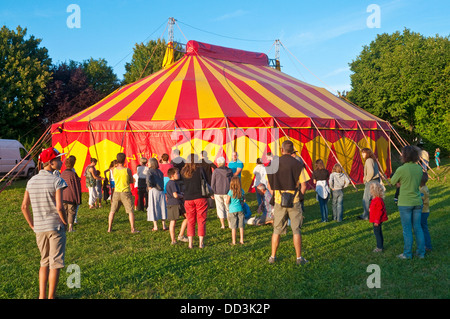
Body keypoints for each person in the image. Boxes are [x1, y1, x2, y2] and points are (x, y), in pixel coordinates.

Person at [21, 147, 67, 299]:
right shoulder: (57, 180)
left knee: (44, 262)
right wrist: (65, 221)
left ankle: (41, 296)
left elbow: (24, 207)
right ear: (51, 163)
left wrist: (32, 225)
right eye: (58, 159)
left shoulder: (31, 181)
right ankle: (51, 296)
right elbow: (60, 206)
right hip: (55, 226)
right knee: (55, 263)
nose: (61, 161)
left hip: (40, 228)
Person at [266, 140, 310, 265]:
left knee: (276, 229)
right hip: (294, 199)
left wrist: (275, 194)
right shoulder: (298, 164)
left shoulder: (273, 164)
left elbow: (269, 184)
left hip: (279, 200)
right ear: (292, 151)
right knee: (296, 230)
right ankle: (298, 258)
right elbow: (304, 185)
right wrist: (300, 197)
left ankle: (273, 256)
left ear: (281, 150)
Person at [390, 145, 425, 259]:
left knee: (407, 229)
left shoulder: (401, 169)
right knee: (418, 228)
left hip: (405, 202)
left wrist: (400, 182)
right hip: (417, 201)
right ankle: (421, 253)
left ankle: (407, 254)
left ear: (404, 156)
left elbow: (392, 181)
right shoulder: (419, 168)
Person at [181, 154, 209, 249]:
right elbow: (206, 180)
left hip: (188, 198)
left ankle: (190, 243)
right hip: (200, 196)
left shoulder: (183, 171)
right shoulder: (200, 169)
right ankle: (201, 243)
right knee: (201, 220)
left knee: (190, 220)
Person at [107, 153, 140, 233]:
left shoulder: (113, 170)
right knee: (130, 211)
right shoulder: (127, 170)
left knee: (112, 211)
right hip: (126, 192)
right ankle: (133, 229)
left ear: (117, 160)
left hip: (116, 192)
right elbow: (131, 181)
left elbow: (111, 168)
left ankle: (109, 228)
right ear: (124, 160)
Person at [166, 167, 188, 244]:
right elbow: (175, 195)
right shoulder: (172, 183)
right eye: (177, 173)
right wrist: (181, 195)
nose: (179, 174)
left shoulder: (170, 183)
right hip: (175, 204)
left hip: (175, 203)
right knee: (173, 222)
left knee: (187, 217)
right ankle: (174, 239)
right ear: (172, 175)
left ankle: (179, 236)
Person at [60, 155, 82, 232]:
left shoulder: (62, 173)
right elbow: (76, 186)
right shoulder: (73, 174)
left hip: (63, 196)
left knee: (64, 211)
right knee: (71, 211)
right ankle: (70, 227)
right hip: (71, 196)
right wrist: (78, 198)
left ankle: (64, 226)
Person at [211, 157, 233, 229]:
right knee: (228, 208)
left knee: (220, 208)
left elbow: (213, 182)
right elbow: (232, 182)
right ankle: (230, 224)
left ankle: (223, 225)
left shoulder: (216, 171)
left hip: (217, 192)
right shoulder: (230, 171)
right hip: (228, 192)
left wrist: (212, 192)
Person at [358, 148, 380, 220]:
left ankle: (365, 215)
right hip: (376, 181)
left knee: (366, 199)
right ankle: (376, 213)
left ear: (367, 153)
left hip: (371, 181)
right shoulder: (373, 160)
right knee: (375, 199)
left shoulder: (368, 160)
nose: (362, 154)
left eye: (363, 153)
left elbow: (371, 172)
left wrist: (367, 180)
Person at [146, 157, 167, 231]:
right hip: (161, 191)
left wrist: (149, 186)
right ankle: (164, 225)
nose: (147, 164)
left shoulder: (150, 171)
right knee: (162, 207)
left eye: (148, 162)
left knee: (153, 207)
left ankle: (155, 226)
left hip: (154, 189)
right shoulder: (160, 171)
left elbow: (148, 179)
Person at [369, 182, 388, 253]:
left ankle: (379, 247)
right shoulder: (375, 199)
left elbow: (379, 211)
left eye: (371, 190)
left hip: (377, 220)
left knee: (377, 233)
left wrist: (377, 221)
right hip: (375, 219)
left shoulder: (378, 200)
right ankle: (380, 246)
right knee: (378, 232)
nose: (370, 191)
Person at [226, 176, 246, 245]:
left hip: (232, 210)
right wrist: (242, 204)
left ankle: (234, 241)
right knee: (241, 226)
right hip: (240, 209)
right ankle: (241, 240)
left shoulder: (230, 191)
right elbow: (244, 200)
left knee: (233, 227)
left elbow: (227, 201)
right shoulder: (241, 190)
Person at [420, 172, 432, 252]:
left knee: (423, 228)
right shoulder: (425, 188)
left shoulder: (422, 190)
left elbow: (420, 200)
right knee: (424, 228)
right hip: (425, 211)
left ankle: (427, 245)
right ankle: (426, 245)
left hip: (423, 211)